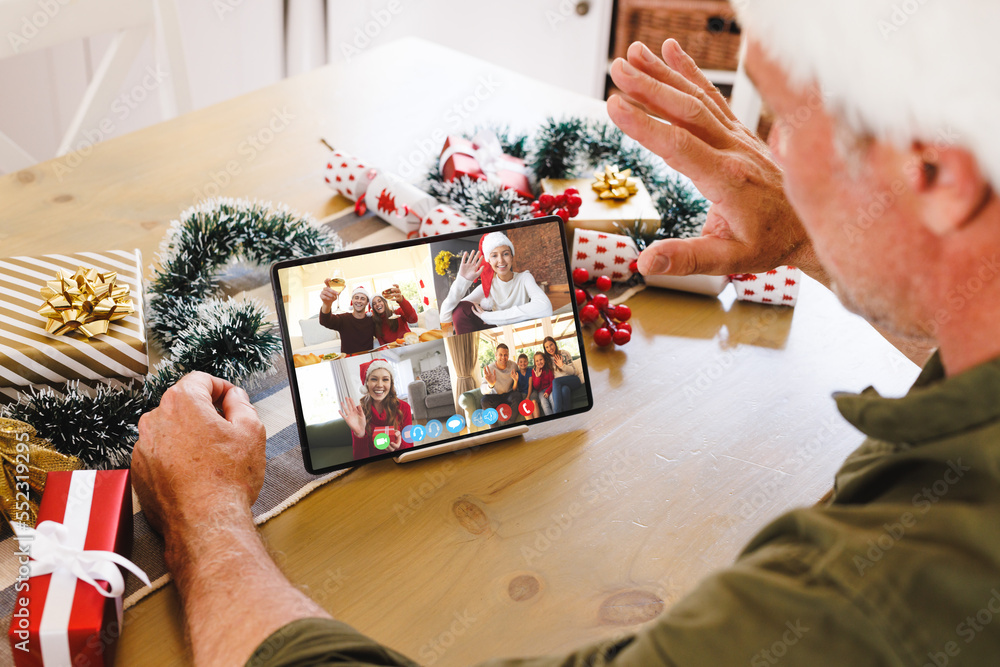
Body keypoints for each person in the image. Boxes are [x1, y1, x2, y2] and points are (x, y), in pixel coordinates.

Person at [130, 3, 1000, 663]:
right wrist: (820, 229)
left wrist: (203, 515)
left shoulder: (867, 598)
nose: (761, 151)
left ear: (932, 174)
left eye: (778, 115)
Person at [439, 231, 552, 335]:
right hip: (499, 332)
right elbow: (446, 316)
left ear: (512, 256)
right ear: (489, 260)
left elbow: (545, 308)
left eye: (505, 254)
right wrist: (462, 281)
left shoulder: (524, 278)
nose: (501, 260)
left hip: (523, 331)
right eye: (494, 255)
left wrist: (488, 316)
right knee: (461, 309)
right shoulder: (488, 286)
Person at [338, 359, 413, 460]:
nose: (380, 385)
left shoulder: (404, 407)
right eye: (374, 379)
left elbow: (410, 448)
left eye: (385, 379)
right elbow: (360, 460)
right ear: (366, 383)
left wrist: (400, 444)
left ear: (391, 384)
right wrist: (359, 435)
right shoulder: (358, 413)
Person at [318, 283, 376, 355]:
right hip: (348, 360)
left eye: (363, 298)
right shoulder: (344, 319)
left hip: (368, 359)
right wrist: (327, 304)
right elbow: (325, 321)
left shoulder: (372, 320)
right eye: (356, 298)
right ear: (352, 300)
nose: (359, 301)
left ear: (367, 302)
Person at [479, 343, 522, 427]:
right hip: (495, 396)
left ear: (508, 355)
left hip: (508, 395)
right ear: (496, 355)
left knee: (517, 395)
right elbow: (482, 390)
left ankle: (509, 426)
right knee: (484, 401)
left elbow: (522, 375)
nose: (503, 357)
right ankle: (495, 429)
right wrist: (490, 385)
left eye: (505, 355)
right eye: (500, 355)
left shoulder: (513, 366)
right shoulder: (490, 368)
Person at [543, 336, 584, 414]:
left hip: (573, 380)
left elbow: (573, 372)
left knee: (555, 381)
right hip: (561, 385)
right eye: (547, 347)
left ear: (555, 344)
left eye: (551, 345)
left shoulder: (564, 353)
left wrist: (562, 366)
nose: (550, 348)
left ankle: (557, 412)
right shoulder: (547, 360)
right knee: (565, 390)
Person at [529, 350, 554, 418]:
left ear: (544, 360)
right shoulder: (534, 371)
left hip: (550, 389)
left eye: (541, 359)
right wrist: (538, 377)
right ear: (535, 362)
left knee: (552, 399)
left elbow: (553, 382)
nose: (539, 362)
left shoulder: (548, 369)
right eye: (537, 361)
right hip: (540, 391)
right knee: (544, 404)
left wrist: (548, 392)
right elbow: (536, 387)